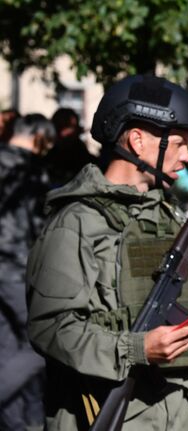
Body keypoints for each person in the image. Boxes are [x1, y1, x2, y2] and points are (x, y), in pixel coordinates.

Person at [26, 74, 188, 430]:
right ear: (137, 141)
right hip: (104, 412)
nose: (187, 157)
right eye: (180, 142)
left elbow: (181, 300)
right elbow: (51, 327)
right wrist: (137, 349)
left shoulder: (167, 216)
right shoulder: (77, 221)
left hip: (180, 414)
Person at [0, 113, 54, 430]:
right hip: (15, 269)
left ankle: (23, 423)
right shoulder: (28, 171)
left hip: (8, 268)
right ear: (38, 138)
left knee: (9, 346)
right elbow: (35, 228)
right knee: (42, 341)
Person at [45, 107, 97, 188]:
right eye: (62, 126)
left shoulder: (84, 157)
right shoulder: (46, 158)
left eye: (71, 127)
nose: (66, 131)